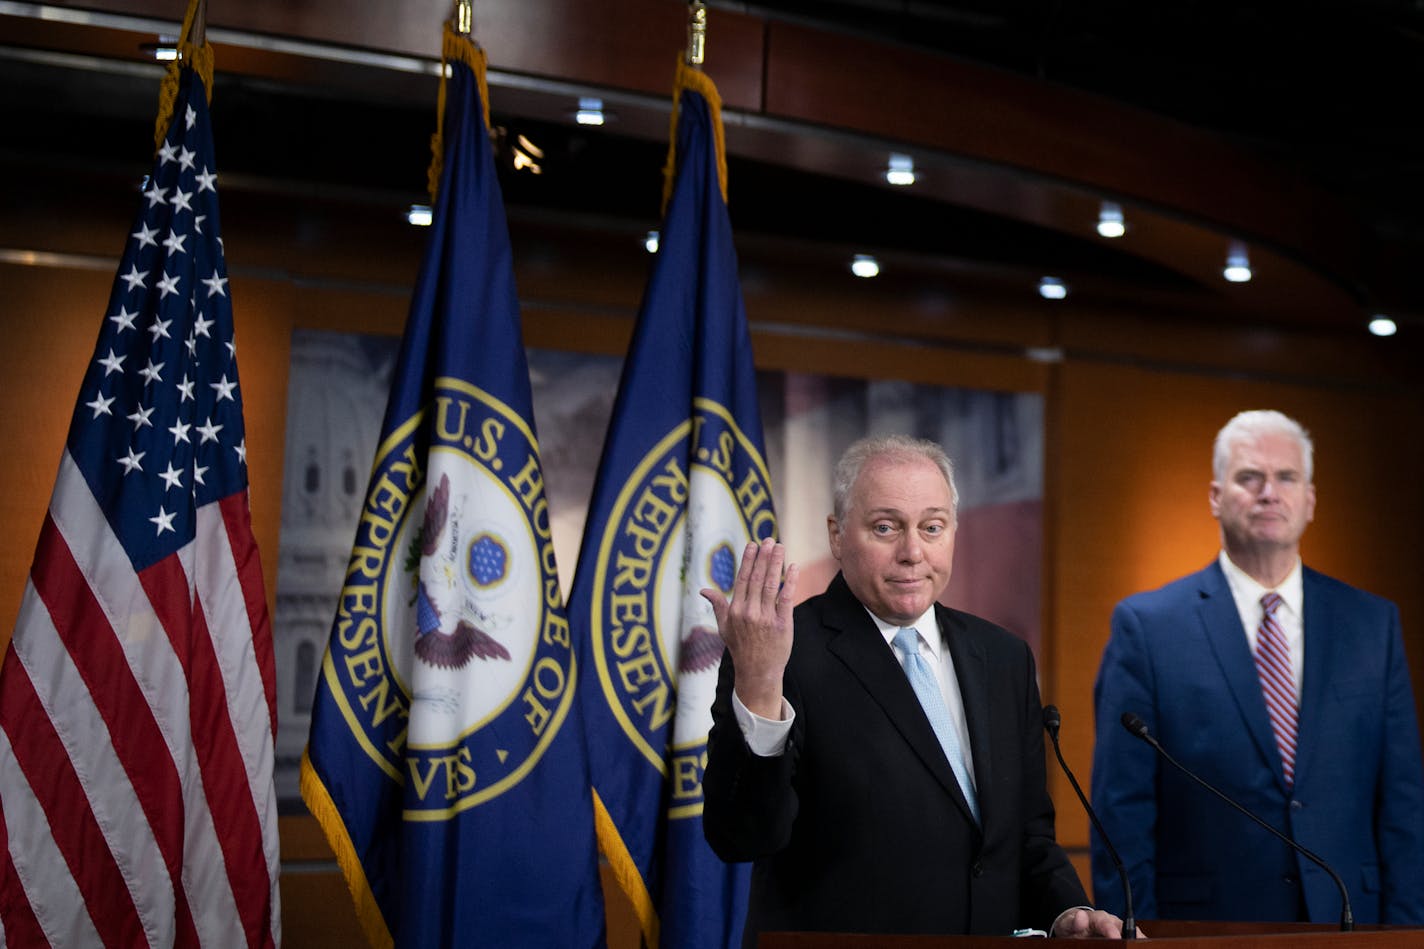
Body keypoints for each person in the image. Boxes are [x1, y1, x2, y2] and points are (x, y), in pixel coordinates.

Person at [701, 434, 1128, 943]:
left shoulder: (1003, 657)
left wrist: (1068, 912)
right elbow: (740, 835)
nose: (912, 552)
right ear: (837, 536)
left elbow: (1026, 835)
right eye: (885, 527)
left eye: (932, 527)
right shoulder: (780, 652)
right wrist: (760, 682)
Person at [1091, 409, 1424, 924]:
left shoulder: (1372, 624)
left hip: (1352, 924)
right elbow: (1121, 812)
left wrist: (1407, 936)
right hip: (1204, 929)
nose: (1269, 492)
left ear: (1310, 500)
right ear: (1215, 496)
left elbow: (1404, 803)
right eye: (1250, 477)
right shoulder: (1147, 626)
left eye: (1286, 477)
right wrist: (1135, 936)